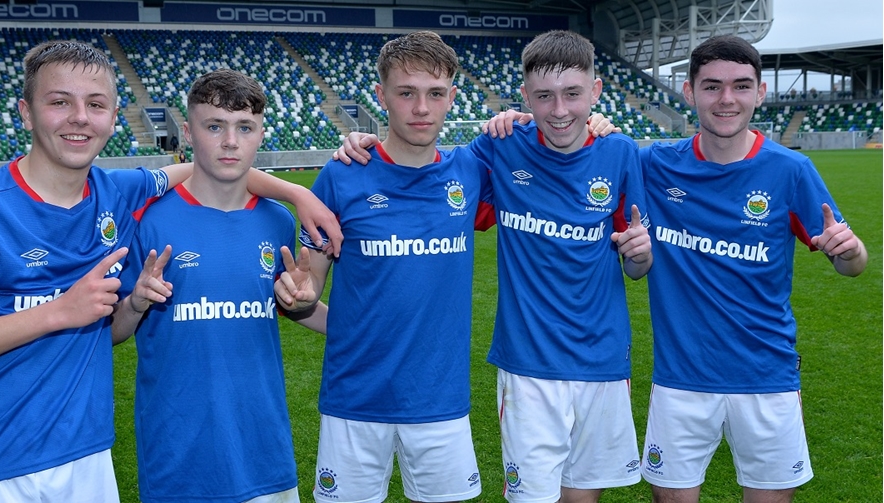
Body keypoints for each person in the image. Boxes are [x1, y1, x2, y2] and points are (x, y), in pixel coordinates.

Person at [0, 40, 339, 503]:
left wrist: (299, 195)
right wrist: (59, 311)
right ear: (26, 112)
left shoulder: (119, 194)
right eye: (59, 102)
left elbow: (214, 169)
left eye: (95, 104)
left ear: (114, 117)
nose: (79, 117)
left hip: (87, 458)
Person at [487, 34, 868, 503]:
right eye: (712, 86)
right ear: (689, 92)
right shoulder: (651, 163)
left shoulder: (792, 170)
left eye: (741, 86)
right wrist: (569, 120)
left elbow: (853, 264)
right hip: (680, 379)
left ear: (760, 92)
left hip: (767, 376)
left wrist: (849, 251)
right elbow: (591, 154)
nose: (726, 99)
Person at [335, 30, 650, 503]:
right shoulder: (499, 146)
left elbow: (636, 266)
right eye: (544, 97)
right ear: (524, 97)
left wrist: (640, 255)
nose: (560, 110)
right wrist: (360, 143)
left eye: (573, 95)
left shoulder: (621, 152)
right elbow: (422, 165)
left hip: (604, 359)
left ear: (596, 91)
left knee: (583, 493)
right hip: (527, 364)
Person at [278, 31, 492, 503]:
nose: (421, 107)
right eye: (406, 92)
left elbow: (548, 147)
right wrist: (302, 296)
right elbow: (310, 282)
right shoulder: (341, 174)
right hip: (355, 398)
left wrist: (595, 123)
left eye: (435, 93)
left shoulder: (471, 172)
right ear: (381, 97)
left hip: (440, 401)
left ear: (452, 97)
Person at [111, 68, 328, 503]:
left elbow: (290, 306)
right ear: (188, 133)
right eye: (215, 126)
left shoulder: (276, 221)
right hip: (177, 456)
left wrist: (302, 303)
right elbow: (112, 331)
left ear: (261, 134)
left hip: (265, 453)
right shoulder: (148, 220)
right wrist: (135, 302)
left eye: (244, 127)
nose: (231, 141)